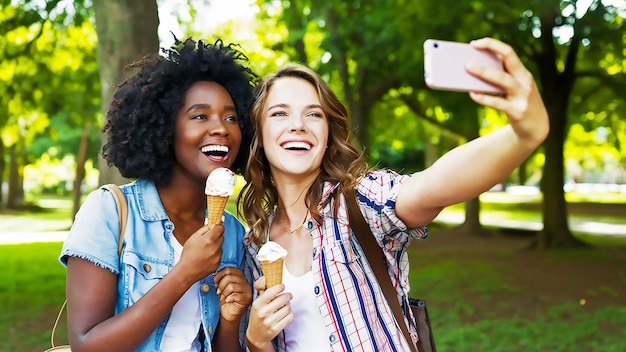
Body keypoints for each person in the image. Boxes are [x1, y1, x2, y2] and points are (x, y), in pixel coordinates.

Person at [239, 37, 550, 351]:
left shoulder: (359, 200)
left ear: (328, 134)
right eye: (279, 114)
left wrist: (522, 136)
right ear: (260, 135)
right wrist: (256, 339)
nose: (298, 125)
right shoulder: (254, 245)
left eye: (313, 114)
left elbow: (428, 188)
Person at [59, 37, 257, 351]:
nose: (222, 128)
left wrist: (231, 318)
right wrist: (184, 273)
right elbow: (86, 345)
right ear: (164, 127)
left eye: (231, 117)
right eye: (200, 116)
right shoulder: (109, 211)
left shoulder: (231, 233)